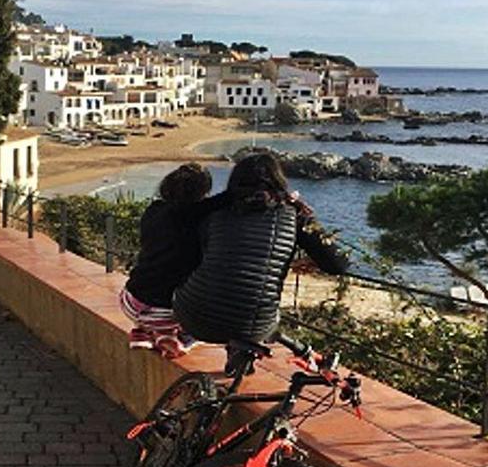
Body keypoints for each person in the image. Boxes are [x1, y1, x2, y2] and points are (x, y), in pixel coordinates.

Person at [173, 152, 349, 346]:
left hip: (193, 319)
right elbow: (338, 264)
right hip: (253, 329)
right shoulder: (295, 216)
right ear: (279, 181)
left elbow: (187, 223)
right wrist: (309, 259)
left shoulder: (214, 212)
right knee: (265, 316)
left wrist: (231, 195)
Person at [121, 163, 229, 358]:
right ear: (202, 194)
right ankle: (176, 338)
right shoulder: (195, 218)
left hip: (129, 300)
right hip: (162, 314)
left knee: (159, 281)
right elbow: (225, 199)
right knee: (205, 318)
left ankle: (144, 331)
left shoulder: (153, 211)